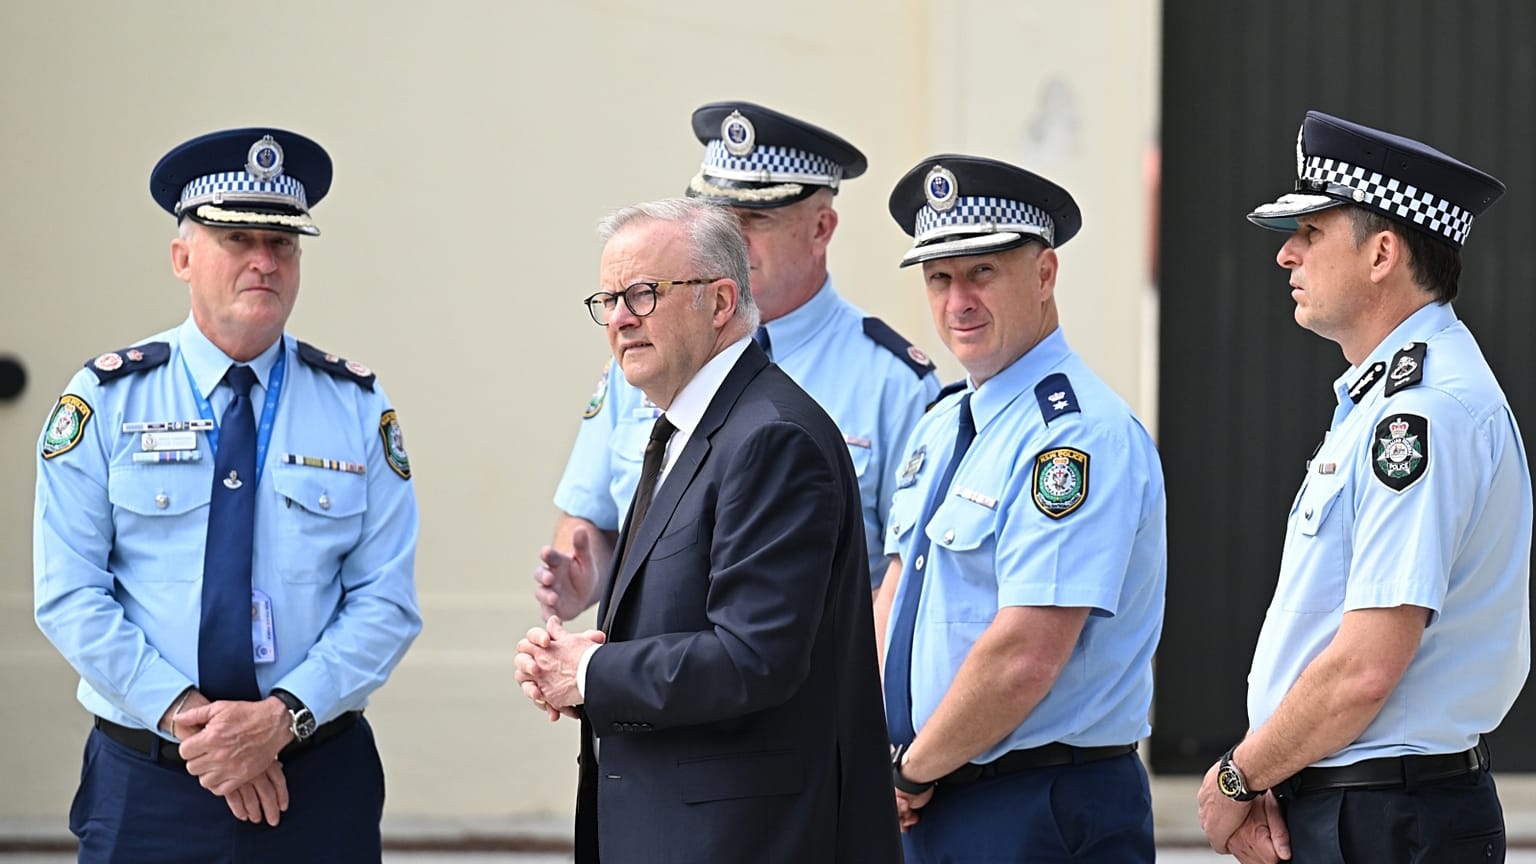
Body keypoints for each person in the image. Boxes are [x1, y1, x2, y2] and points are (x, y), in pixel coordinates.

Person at [33, 127, 422, 863]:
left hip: (314, 774)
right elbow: (70, 593)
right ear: (182, 258)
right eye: (237, 238)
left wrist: (280, 719)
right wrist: (197, 725)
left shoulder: (356, 406)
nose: (263, 261)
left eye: (282, 243)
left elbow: (386, 600)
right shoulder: (106, 399)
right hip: (151, 782)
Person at [514, 197, 901, 864]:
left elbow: (754, 657)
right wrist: (572, 672)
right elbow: (677, 626)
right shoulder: (686, 430)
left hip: (747, 840)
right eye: (608, 300)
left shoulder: (771, 437)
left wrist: (594, 672)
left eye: (643, 294)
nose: (620, 318)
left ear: (720, 302)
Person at [1197, 111, 1529, 863]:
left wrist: (1239, 777)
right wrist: (1272, 769)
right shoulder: (1384, 399)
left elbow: (1364, 669)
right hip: (1361, 805)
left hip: (1385, 818)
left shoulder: (1421, 413)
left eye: (1311, 232)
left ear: (1382, 253)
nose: (1286, 253)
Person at [536, 101, 940, 619]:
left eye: (756, 219)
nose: (731, 240)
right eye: (719, 220)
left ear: (821, 228)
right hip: (642, 663)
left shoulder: (893, 381)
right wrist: (587, 574)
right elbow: (592, 516)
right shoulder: (648, 356)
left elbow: (910, 576)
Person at [878, 154, 1167, 862]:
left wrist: (909, 772)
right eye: (939, 278)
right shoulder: (942, 423)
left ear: (1044, 274)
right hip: (929, 798)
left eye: (982, 272)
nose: (958, 302)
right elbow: (893, 597)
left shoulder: (1074, 436)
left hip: (1036, 805)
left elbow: (1025, 656)